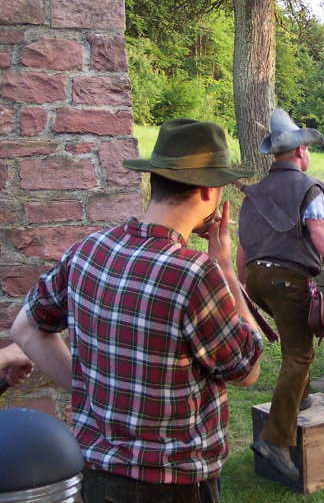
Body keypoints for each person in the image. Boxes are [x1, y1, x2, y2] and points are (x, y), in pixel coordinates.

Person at [11, 119, 263, 503]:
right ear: (211, 190)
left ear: (154, 181)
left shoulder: (87, 251)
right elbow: (247, 370)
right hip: (174, 487)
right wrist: (226, 267)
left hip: (97, 478)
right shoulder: (195, 273)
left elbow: (26, 329)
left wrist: (85, 388)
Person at [237, 109, 324, 480]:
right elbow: (320, 231)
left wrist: (246, 286)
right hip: (287, 278)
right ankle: (276, 438)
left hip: (257, 278)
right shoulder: (308, 187)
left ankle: (298, 402)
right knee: (299, 353)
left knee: (296, 342)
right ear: (301, 151)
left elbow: (243, 246)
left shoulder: (253, 193)